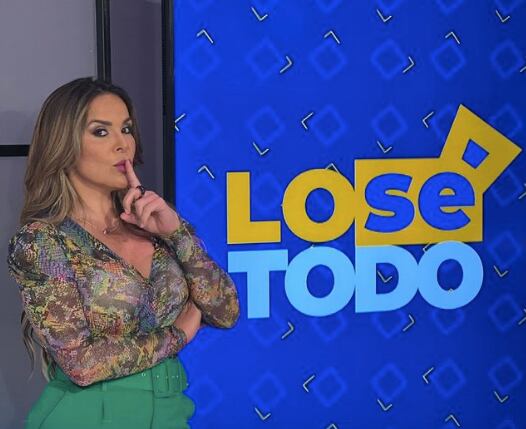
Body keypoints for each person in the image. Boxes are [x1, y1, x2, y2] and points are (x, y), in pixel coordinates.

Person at [5, 77, 240, 429]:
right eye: (101, 132)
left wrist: (176, 233)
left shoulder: (157, 227)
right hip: (86, 417)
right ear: (63, 144)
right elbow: (82, 365)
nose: (123, 144)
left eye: (126, 129)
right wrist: (177, 335)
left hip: (171, 411)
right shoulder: (42, 242)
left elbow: (225, 312)